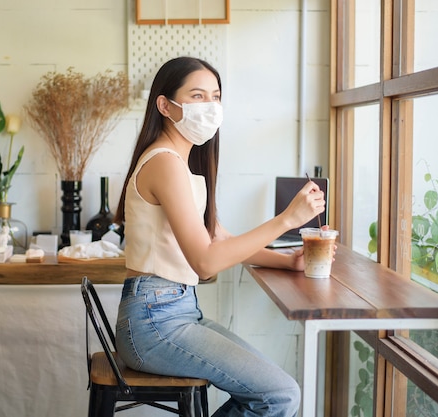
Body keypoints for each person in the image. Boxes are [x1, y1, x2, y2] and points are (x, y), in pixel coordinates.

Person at [113, 56, 326, 417]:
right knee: (280, 395)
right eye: (197, 96)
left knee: (277, 390)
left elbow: (220, 238)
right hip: (154, 320)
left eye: (215, 96)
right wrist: (286, 219)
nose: (210, 107)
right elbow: (206, 260)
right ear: (165, 105)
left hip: (174, 311)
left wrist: (288, 261)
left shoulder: (181, 164)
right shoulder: (164, 163)